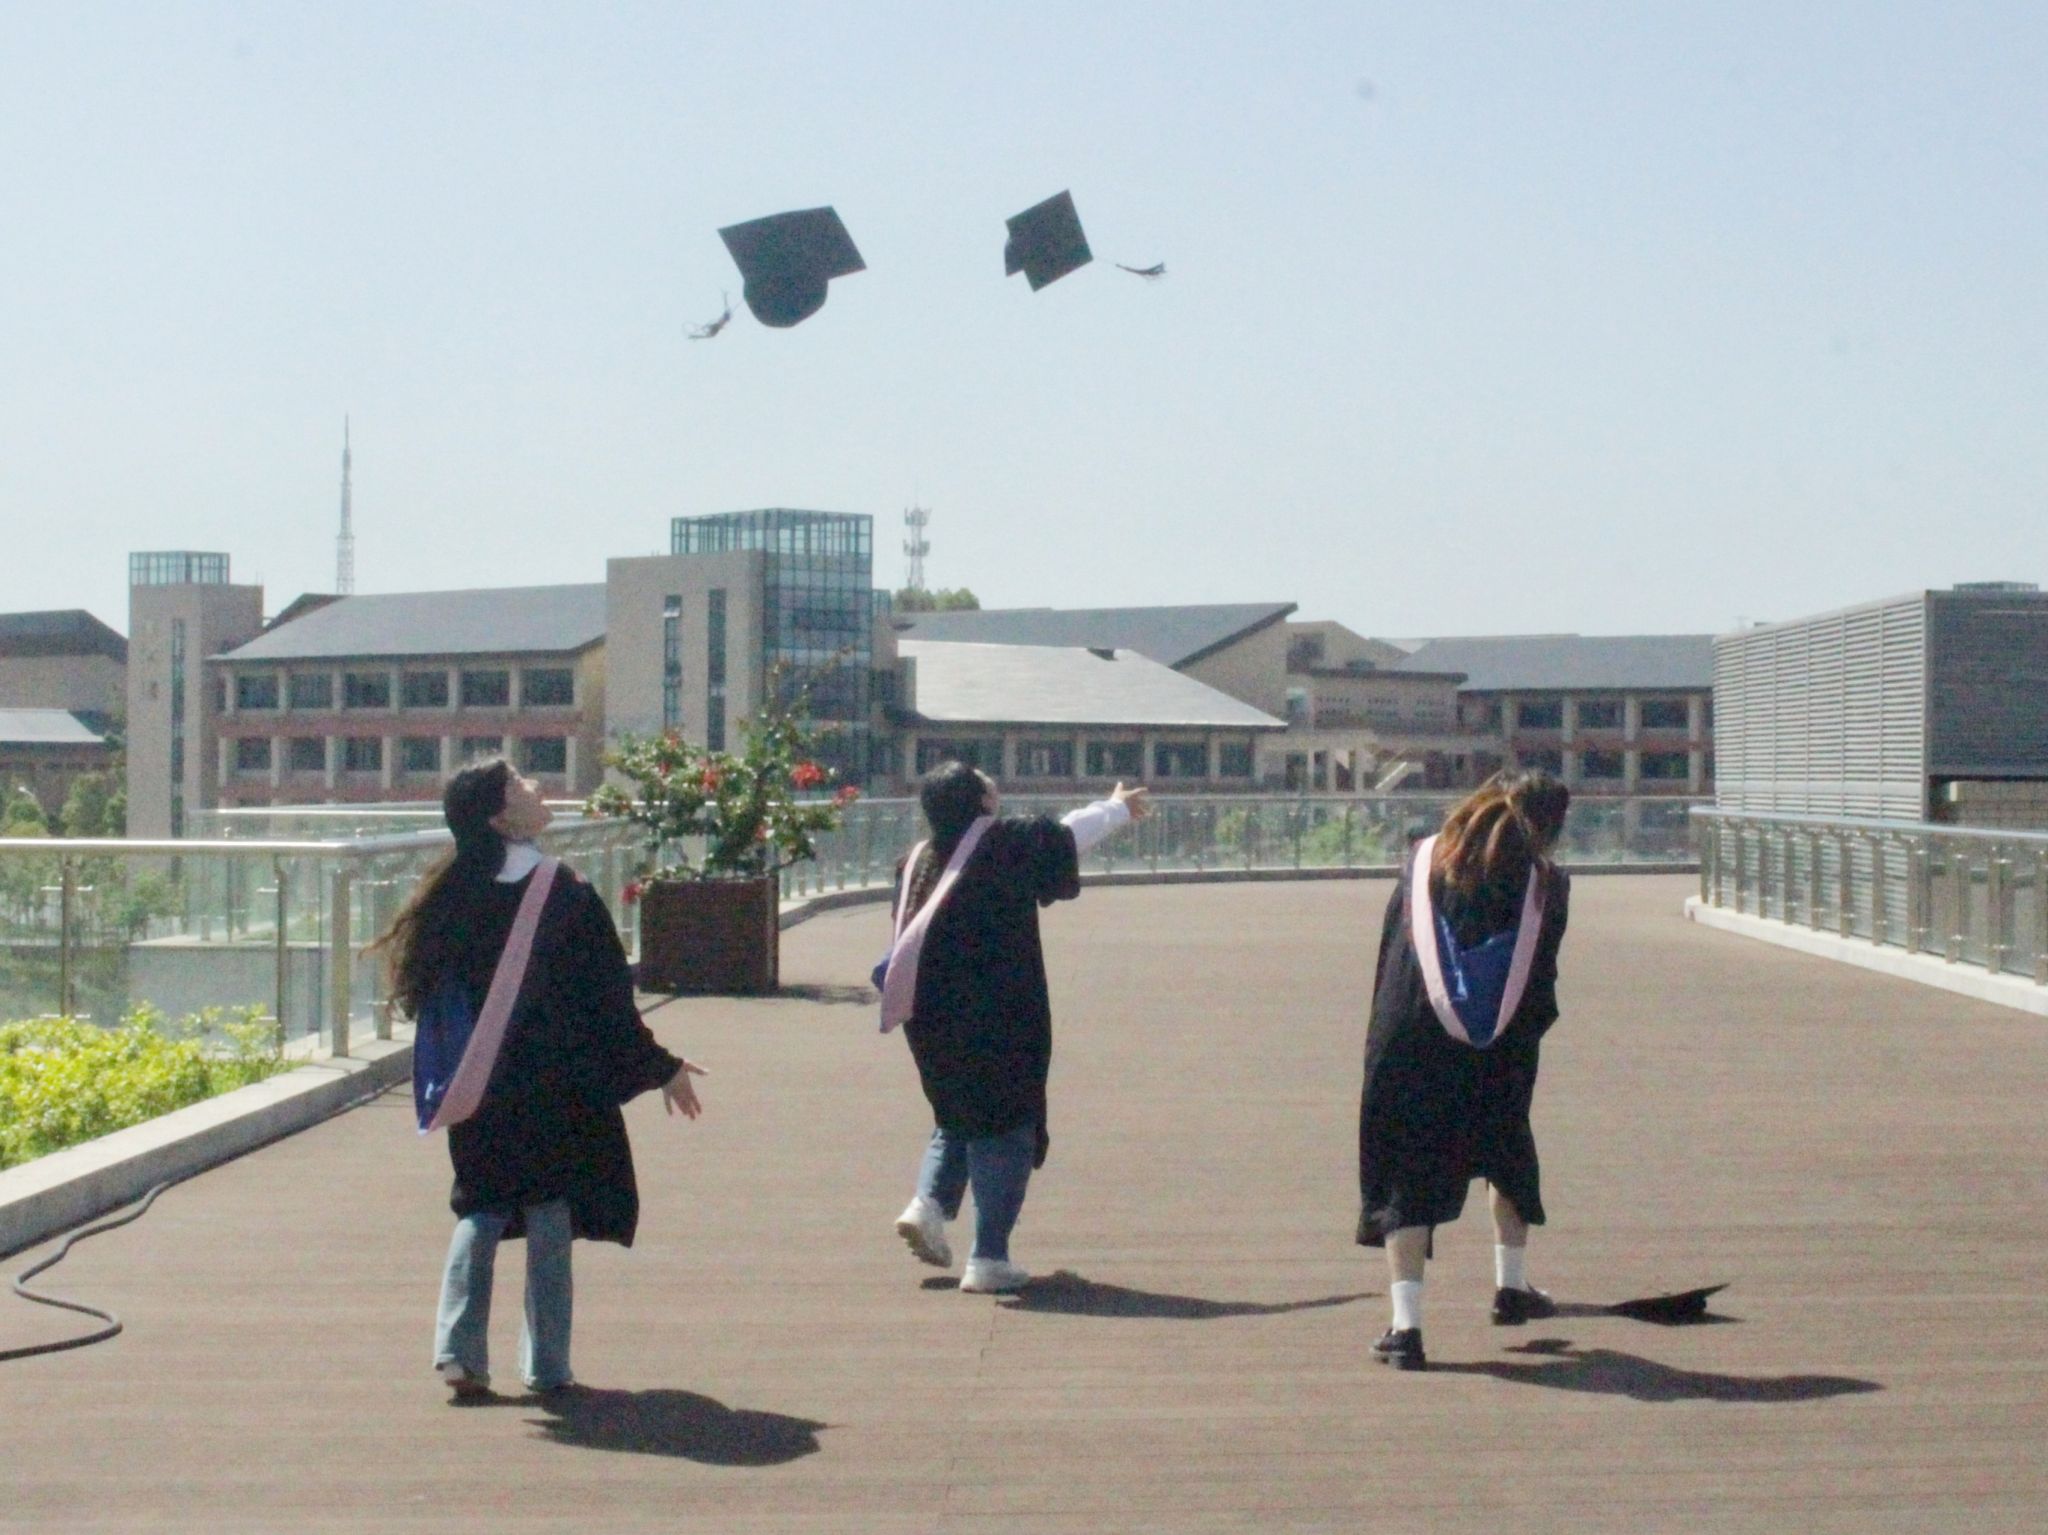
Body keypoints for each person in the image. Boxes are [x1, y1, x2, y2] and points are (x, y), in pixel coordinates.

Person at [375, 759, 707, 1400]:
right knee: (551, 1212)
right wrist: (660, 1066)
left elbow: (428, 992)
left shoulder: (453, 890)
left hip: (480, 1081)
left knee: (481, 1204)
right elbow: (608, 1002)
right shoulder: (565, 893)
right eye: (520, 785)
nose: (535, 788)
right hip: (557, 1082)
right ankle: (548, 1365)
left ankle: (457, 1351)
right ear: (502, 816)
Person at [885, 762, 1149, 1294]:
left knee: (957, 1110)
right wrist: (1117, 808)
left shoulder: (915, 862)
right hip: (997, 1015)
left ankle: (929, 1203)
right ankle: (989, 1258)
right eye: (989, 786)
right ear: (980, 802)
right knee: (1006, 1124)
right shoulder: (1005, 844)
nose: (997, 790)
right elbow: (1065, 836)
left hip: (928, 1017)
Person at [1356, 769, 1572, 1371]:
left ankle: (1407, 1329)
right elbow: (1540, 980)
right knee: (1504, 1149)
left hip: (1410, 1040)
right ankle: (1511, 1287)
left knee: (1407, 1174)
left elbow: (1392, 959)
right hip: (1498, 1050)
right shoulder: (1545, 886)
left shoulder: (1422, 861)